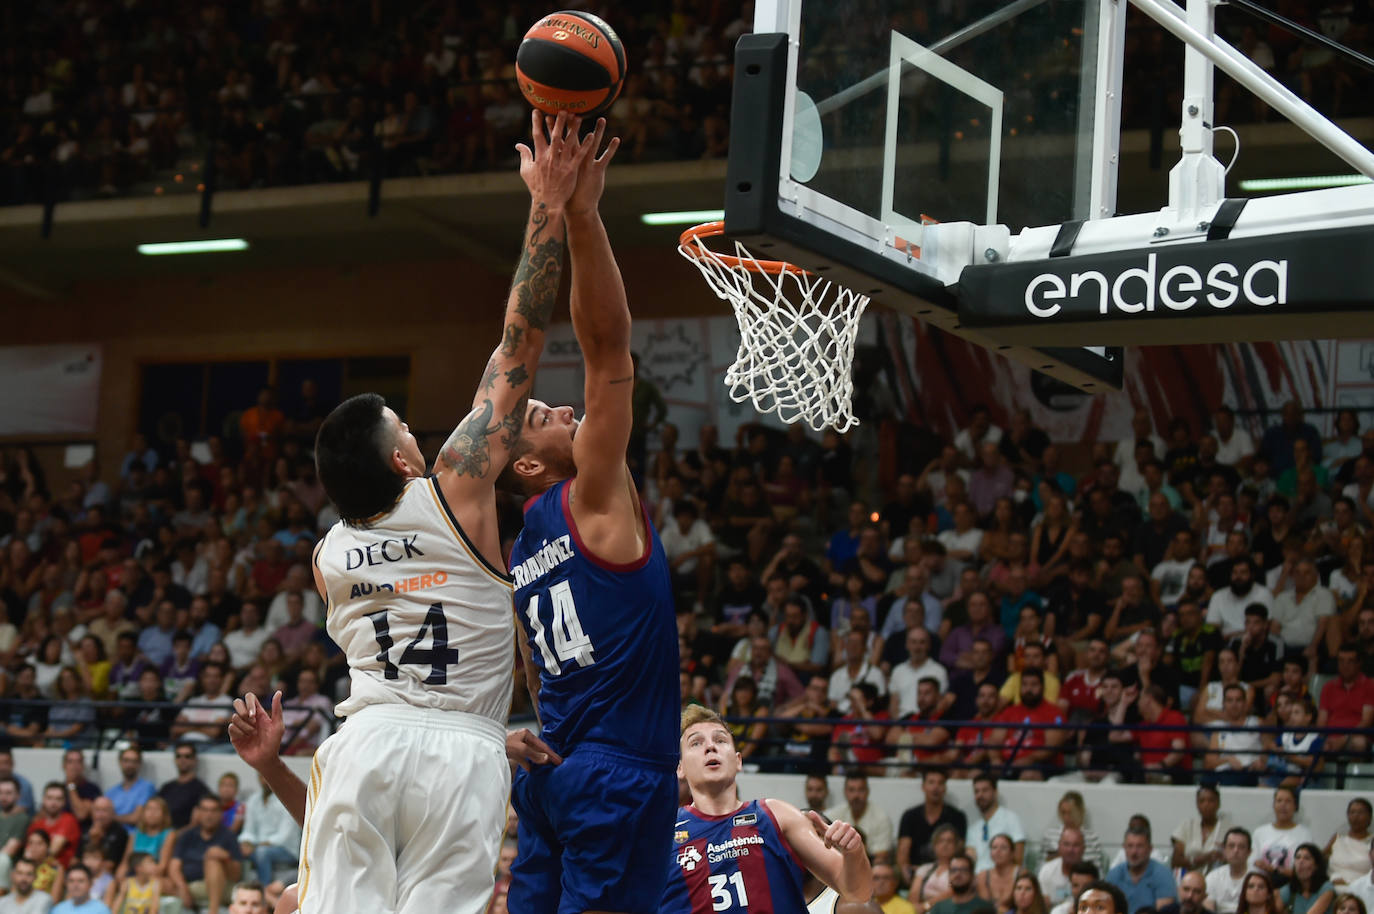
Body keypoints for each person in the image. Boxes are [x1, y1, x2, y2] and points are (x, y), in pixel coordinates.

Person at [306, 113, 594, 914]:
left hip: (365, 743)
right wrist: (548, 203)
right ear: (403, 460)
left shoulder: (327, 557)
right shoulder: (456, 488)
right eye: (405, 426)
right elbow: (519, 342)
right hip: (463, 752)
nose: (418, 432)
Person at [500, 118, 683, 914]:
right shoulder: (592, 495)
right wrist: (581, 212)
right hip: (613, 770)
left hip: (547, 767)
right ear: (532, 466)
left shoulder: (513, 547)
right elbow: (609, 350)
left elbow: (526, 670)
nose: (567, 406)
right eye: (545, 415)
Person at [661, 706, 873, 912]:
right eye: (696, 743)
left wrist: (854, 852)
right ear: (680, 768)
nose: (710, 747)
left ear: (738, 761)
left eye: (720, 740)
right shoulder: (662, 834)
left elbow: (858, 894)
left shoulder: (777, 815)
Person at [897, 770, 968, 882]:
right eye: (931, 782)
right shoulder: (910, 816)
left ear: (945, 788)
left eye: (940, 783)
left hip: (947, 874)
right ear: (923, 786)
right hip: (914, 874)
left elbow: (958, 850)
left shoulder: (957, 817)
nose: (936, 787)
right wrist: (910, 876)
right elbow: (903, 852)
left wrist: (939, 873)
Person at [824, 774, 894, 865]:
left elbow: (881, 856)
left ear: (868, 792)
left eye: (861, 790)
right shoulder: (832, 815)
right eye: (851, 790)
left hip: (870, 866)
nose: (856, 795)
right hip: (837, 864)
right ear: (845, 792)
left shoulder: (881, 818)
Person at [1106, 827, 1176, 913]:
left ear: (1150, 849)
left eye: (1139, 846)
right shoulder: (1114, 874)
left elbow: (1164, 912)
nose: (1134, 852)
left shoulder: (1163, 875)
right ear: (1124, 848)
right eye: (1130, 846)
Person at [1250, 787, 1314, 881]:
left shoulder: (1304, 834)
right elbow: (1252, 863)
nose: (1283, 805)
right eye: (1279, 801)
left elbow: (1306, 871)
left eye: (1288, 801)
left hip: (1292, 884)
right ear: (1273, 805)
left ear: (1295, 806)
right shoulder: (1259, 832)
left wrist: (1275, 869)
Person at [965, 774, 1025, 873]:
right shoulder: (973, 827)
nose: (980, 795)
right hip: (977, 879)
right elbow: (970, 859)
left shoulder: (1011, 819)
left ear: (995, 792)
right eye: (977, 791)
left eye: (985, 790)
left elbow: (1018, 858)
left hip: (1004, 878)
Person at [1172, 785, 1232, 872]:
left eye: (1211, 801)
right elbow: (1175, 861)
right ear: (1197, 804)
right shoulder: (1187, 826)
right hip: (1188, 879)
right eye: (1202, 801)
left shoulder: (1229, 830)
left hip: (1217, 879)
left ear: (1218, 804)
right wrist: (1203, 859)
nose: (1206, 804)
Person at [157, 744, 210, 829]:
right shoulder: (166, 787)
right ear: (175, 760)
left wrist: (173, 837)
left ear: (195, 760)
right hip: (162, 833)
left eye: (187, 756)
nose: (182, 760)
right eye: (179, 756)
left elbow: (196, 823)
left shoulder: (201, 790)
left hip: (184, 837)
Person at [28, 785, 81, 868]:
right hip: (37, 869)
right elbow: (28, 853)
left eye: (58, 799)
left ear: (64, 802)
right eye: (50, 798)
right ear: (43, 800)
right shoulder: (36, 825)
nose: (53, 803)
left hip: (61, 871)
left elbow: (53, 851)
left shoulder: (68, 820)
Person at [911, 825, 962, 911]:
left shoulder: (960, 869)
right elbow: (913, 895)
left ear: (956, 846)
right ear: (934, 845)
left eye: (949, 841)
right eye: (940, 841)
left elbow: (951, 893)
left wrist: (925, 906)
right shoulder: (925, 869)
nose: (945, 844)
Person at [104, 748, 156, 830]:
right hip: (111, 835)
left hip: (134, 837)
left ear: (139, 764)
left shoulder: (147, 787)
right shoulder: (111, 792)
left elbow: (136, 818)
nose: (130, 765)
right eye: (126, 760)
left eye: (134, 761)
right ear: (120, 762)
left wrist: (110, 817)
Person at [1325, 798, 1372, 887]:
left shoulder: (1372, 841)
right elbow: (1319, 857)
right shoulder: (1337, 838)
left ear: (1369, 817)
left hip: (1361, 889)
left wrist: (1349, 884)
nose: (1356, 816)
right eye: (1352, 812)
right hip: (1332, 888)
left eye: (1360, 812)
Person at [1206, 828, 1253, 914]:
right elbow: (1207, 910)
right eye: (1231, 846)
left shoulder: (1258, 877)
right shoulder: (1213, 877)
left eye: (1241, 847)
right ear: (1224, 849)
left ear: (1249, 852)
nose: (1236, 851)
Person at [1039, 827, 1090, 907]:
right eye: (1066, 844)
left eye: (1076, 845)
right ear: (1059, 847)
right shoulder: (1047, 870)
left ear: (1084, 848)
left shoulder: (1091, 873)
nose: (1070, 850)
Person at [974, 835, 1026, 910]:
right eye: (994, 848)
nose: (998, 851)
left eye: (1003, 848)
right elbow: (983, 904)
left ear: (1012, 853)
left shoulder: (1022, 875)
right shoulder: (982, 876)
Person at [1280, 844, 1335, 914]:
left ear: (1316, 866)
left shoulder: (1326, 888)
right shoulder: (1289, 889)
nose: (1301, 862)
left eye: (1307, 858)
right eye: (1297, 857)